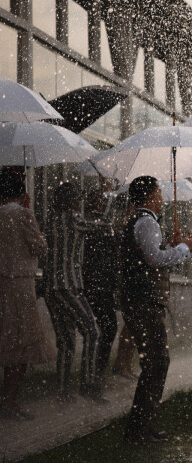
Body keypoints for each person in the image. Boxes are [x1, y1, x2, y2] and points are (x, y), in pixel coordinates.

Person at [120, 176, 192, 443]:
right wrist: (182, 249)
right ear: (152, 194)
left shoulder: (142, 221)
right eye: (159, 191)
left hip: (140, 300)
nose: (162, 196)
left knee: (155, 363)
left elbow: (151, 253)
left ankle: (143, 426)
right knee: (156, 364)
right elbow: (153, 260)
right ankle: (139, 430)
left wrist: (171, 246)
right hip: (144, 301)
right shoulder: (146, 222)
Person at [43, 182, 106, 403]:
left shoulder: (50, 220)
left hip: (51, 287)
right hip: (68, 286)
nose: (80, 202)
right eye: (78, 198)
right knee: (92, 332)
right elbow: (104, 224)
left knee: (66, 341)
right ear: (71, 201)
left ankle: (62, 392)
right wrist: (104, 198)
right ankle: (88, 385)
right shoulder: (72, 219)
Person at [0, 171, 53, 420]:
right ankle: (9, 403)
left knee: (5, 341)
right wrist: (30, 214)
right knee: (20, 345)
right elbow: (39, 247)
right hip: (19, 286)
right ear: (22, 193)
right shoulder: (22, 214)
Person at [80, 176, 120, 385]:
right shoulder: (91, 224)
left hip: (102, 283)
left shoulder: (100, 225)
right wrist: (109, 192)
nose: (101, 204)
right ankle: (93, 379)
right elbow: (106, 223)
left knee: (105, 329)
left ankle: (96, 376)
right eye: (99, 200)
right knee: (103, 329)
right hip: (94, 283)